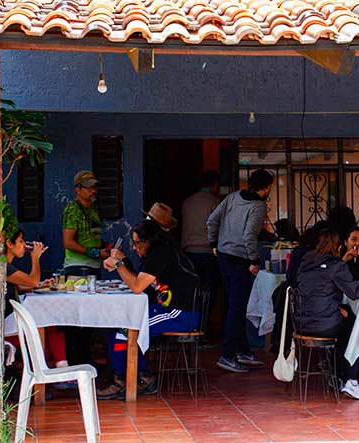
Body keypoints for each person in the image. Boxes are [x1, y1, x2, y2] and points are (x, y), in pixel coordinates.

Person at [98, 220, 200, 399]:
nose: (135, 248)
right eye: (134, 243)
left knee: (127, 329)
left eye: (138, 243)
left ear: (150, 241)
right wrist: (124, 261)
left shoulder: (161, 254)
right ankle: (140, 375)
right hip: (167, 310)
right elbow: (142, 282)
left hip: (180, 314)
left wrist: (119, 265)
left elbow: (137, 287)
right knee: (124, 323)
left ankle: (124, 381)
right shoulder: (158, 253)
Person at [294, 227, 359, 400]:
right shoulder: (336, 266)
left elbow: (313, 291)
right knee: (356, 327)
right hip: (323, 325)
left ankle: (338, 375)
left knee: (347, 320)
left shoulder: (305, 261)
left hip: (301, 323)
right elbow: (355, 292)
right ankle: (351, 380)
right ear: (339, 248)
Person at [208, 169, 274, 373]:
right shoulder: (258, 206)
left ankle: (242, 350)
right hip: (241, 260)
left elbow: (212, 220)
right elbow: (249, 236)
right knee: (237, 308)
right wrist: (254, 260)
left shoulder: (232, 197)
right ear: (266, 187)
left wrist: (213, 242)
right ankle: (227, 355)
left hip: (224, 257)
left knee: (236, 305)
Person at [4, 230, 72, 384]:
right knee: (49, 323)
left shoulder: (8, 266)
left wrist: (38, 286)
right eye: (20, 241)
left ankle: (52, 371)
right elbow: (33, 280)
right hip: (7, 327)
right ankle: (55, 373)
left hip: (10, 321)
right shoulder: (5, 267)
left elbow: (19, 286)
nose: (23, 245)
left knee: (48, 323)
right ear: (9, 244)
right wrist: (35, 259)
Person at [61, 170, 110, 276]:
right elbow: (68, 242)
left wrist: (106, 247)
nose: (93, 190)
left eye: (94, 187)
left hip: (95, 266)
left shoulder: (94, 209)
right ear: (77, 190)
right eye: (88, 187)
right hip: (77, 267)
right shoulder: (73, 209)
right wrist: (96, 253)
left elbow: (91, 237)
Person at [181, 170, 222, 299]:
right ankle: (205, 318)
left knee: (192, 292)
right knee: (208, 292)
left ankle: (195, 318)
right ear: (215, 185)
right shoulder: (215, 202)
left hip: (188, 253)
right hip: (209, 253)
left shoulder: (188, 201)